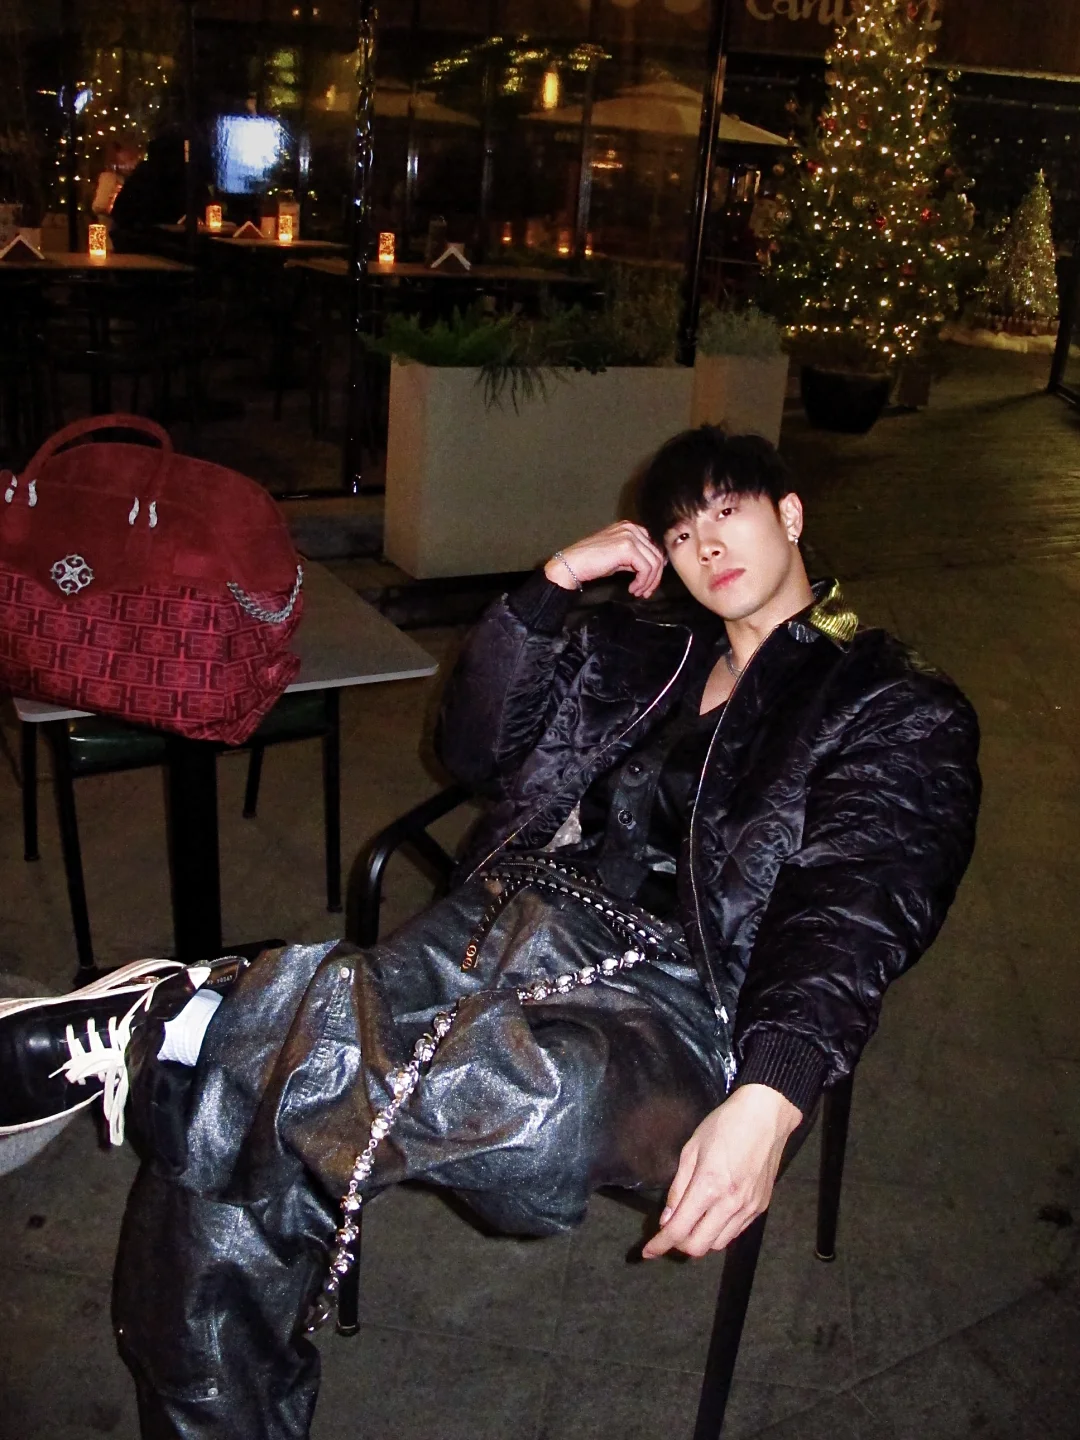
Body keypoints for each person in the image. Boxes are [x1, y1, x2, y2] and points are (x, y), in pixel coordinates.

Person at [0, 429, 980, 1439]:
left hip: (694, 1001)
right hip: (512, 914)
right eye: (683, 531)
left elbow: (856, 904)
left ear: (791, 514)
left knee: (531, 1114)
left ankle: (193, 1021)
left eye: (729, 511)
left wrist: (774, 1092)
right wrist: (551, 591)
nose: (707, 546)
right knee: (232, 1133)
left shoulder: (887, 701)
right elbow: (473, 751)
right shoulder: (647, 648)